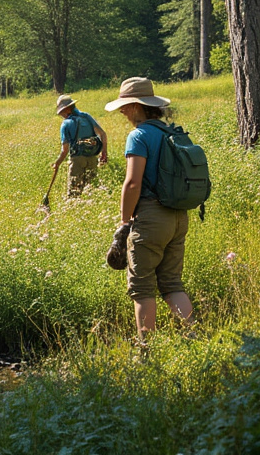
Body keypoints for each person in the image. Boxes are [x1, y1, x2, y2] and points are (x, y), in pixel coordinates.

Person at [105, 77, 194, 338]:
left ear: (136, 106)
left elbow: (133, 183)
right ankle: (195, 338)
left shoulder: (139, 135)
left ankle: (146, 352)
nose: (122, 111)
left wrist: (124, 223)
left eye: (124, 106)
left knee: (142, 287)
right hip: (178, 217)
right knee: (171, 283)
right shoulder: (172, 133)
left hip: (151, 218)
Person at [52, 94, 108, 196]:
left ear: (68, 109)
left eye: (62, 112)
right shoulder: (86, 116)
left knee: (74, 192)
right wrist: (104, 153)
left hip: (77, 160)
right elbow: (103, 134)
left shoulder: (66, 124)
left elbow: (65, 150)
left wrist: (57, 163)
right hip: (92, 158)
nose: (61, 115)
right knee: (91, 191)